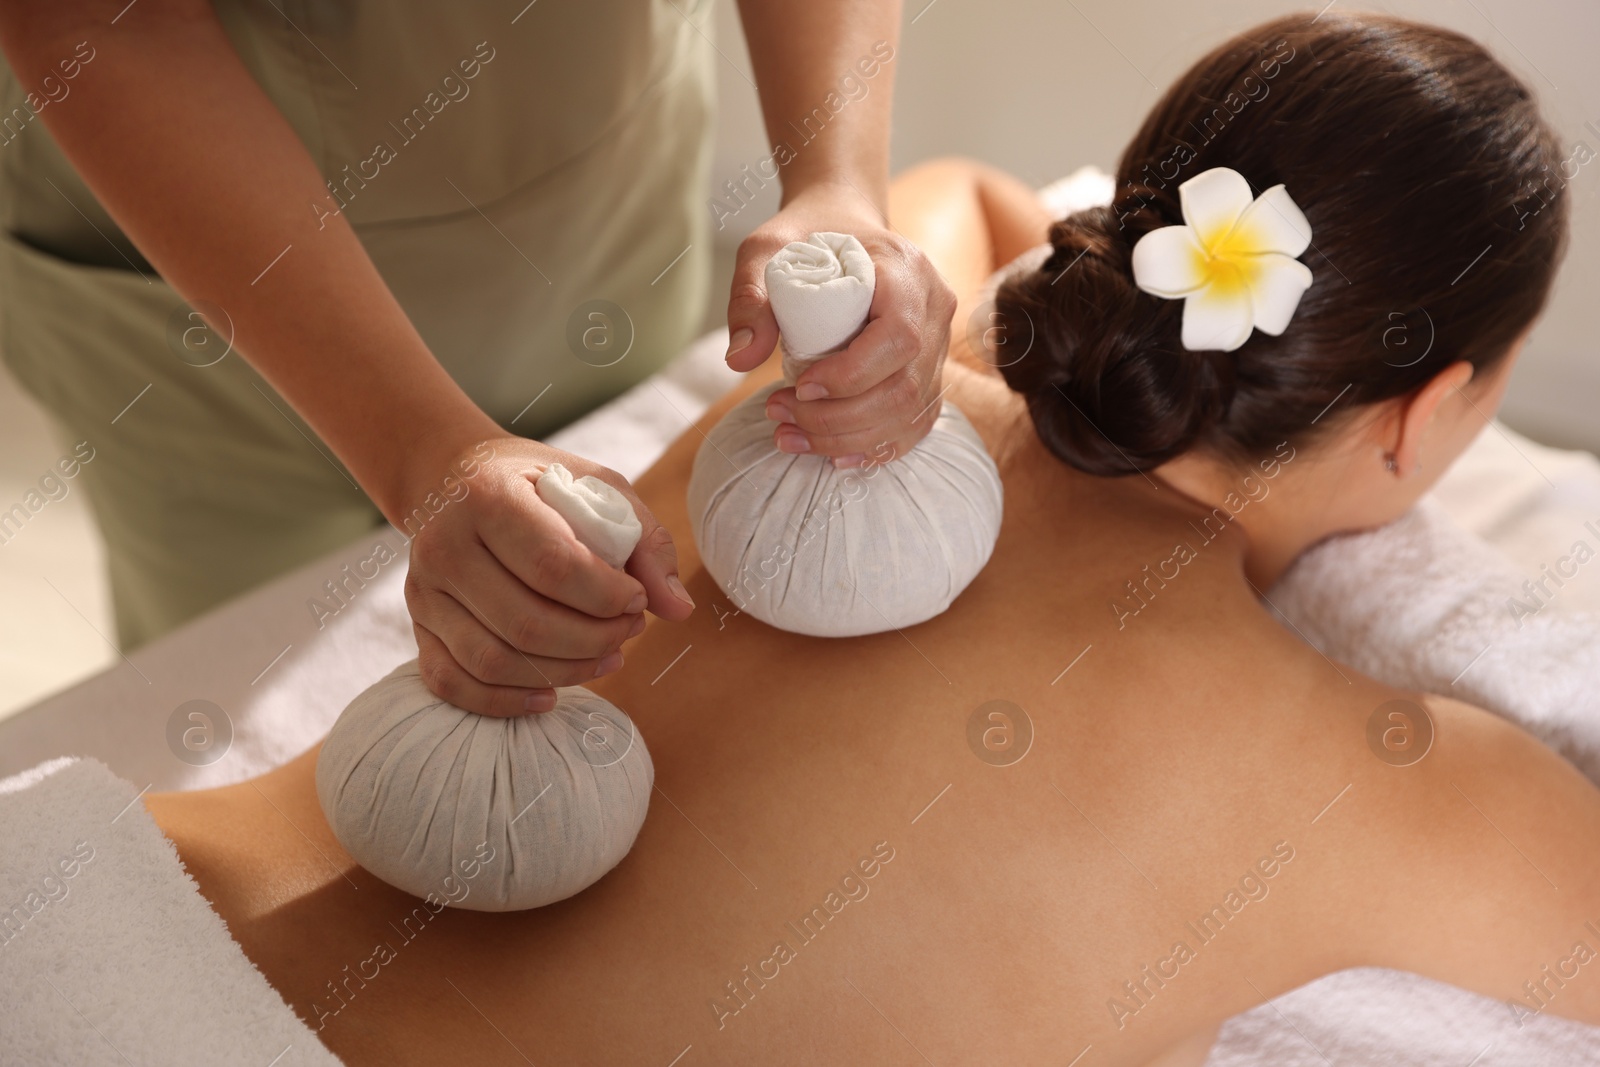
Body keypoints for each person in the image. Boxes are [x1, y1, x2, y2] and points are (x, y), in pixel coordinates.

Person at [140, 13, 1599, 1064]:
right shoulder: (1373, 779)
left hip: (112, 905)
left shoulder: (842, 381)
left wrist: (1098, 321)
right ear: (1426, 414)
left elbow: (958, 199)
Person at [0, 0, 955, 715]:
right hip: (204, 263)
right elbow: (101, 20)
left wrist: (837, 179)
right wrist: (422, 451)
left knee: (632, 572)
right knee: (251, 693)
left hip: (597, 177)